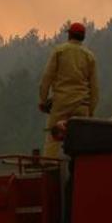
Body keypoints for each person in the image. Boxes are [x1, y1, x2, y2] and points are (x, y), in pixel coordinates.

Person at [38, 22, 99, 158]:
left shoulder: (59, 51)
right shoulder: (89, 56)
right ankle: (82, 168)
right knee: (83, 142)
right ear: (82, 37)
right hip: (82, 105)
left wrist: (43, 101)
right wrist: (90, 111)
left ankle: (50, 167)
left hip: (61, 104)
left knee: (53, 138)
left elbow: (46, 78)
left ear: (69, 35)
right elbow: (94, 88)